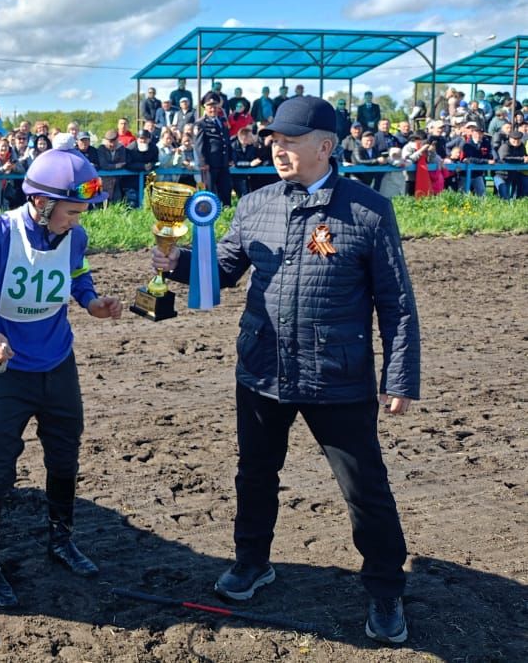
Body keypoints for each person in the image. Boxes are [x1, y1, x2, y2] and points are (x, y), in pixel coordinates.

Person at [152, 95, 420, 645]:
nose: (277, 149)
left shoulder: (369, 211)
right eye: (274, 139)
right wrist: (179, 263)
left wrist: (399, 376)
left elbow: (396, 301)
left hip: (337, 375)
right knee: (255, 474)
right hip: (261, 370)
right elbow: (224, 269)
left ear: (326, 146)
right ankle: (252, 562)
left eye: (291, 141)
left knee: (364, 487)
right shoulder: (256, 204)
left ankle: (385, 589)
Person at [0, 148, 122, 608]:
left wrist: (92, 301)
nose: (76, 222)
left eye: (81, 214)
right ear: (41, 202)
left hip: (59, 366)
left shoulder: (75, 235)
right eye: (71, 212)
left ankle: (61, 540)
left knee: (64, 460)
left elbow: (78, 276)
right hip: (9, 373)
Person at [194, 95, 233, 206]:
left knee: (226, 189)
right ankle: (209, 212)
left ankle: (227, 211)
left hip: (223, 162)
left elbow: (226, 141)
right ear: (205, 108)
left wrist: (230, 158)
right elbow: (199, 145)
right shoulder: (201, 123)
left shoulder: (222, 121)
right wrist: (203, 162)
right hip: (210, 164)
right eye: (210, 107)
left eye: (215, 107)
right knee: (209, 190)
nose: (213, 109)